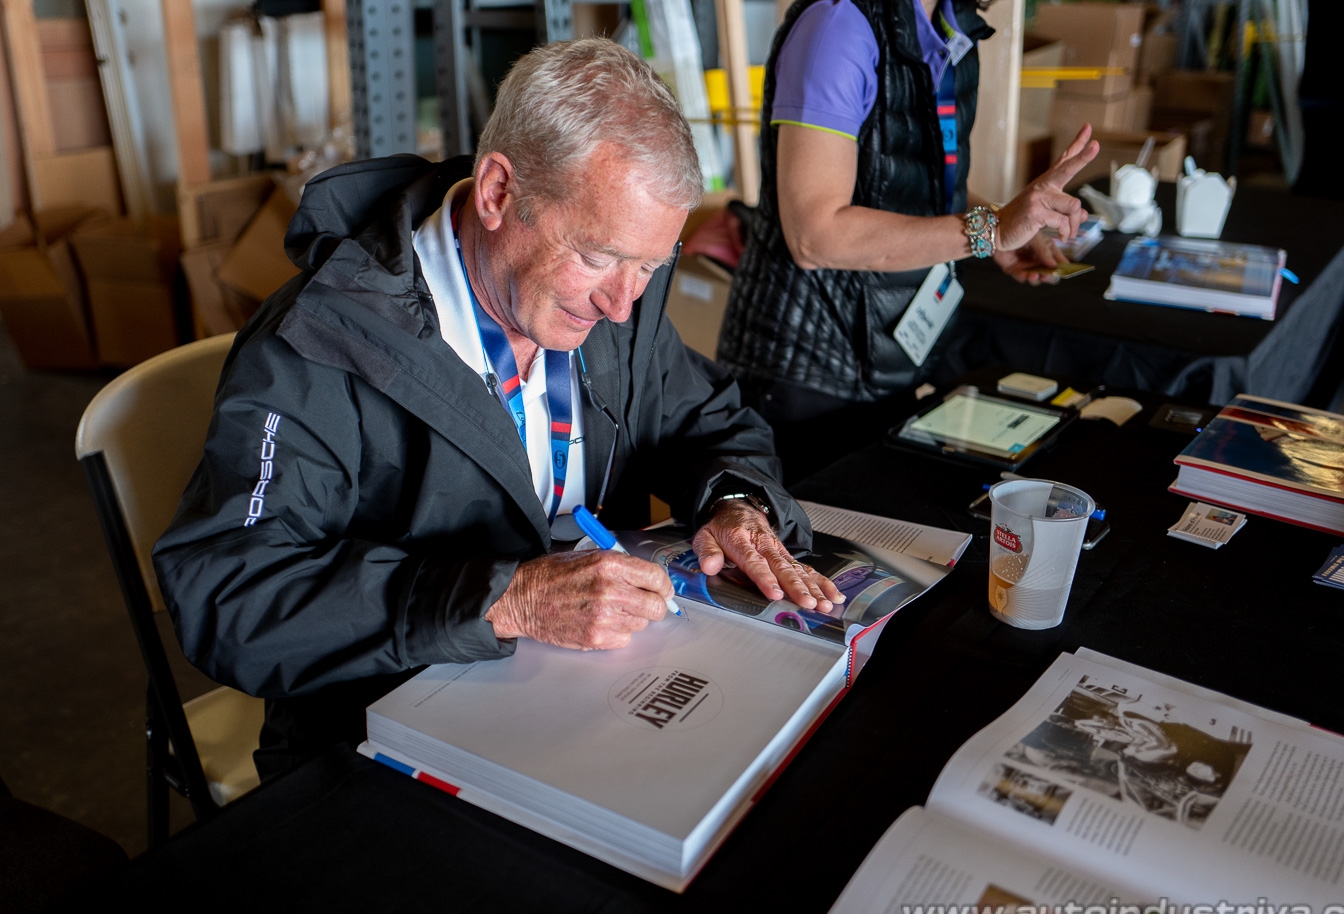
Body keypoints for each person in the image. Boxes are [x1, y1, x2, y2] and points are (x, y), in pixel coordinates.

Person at [153, 38, 843, 780]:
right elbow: (229, 594)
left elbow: (705, 418)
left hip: (585, 698)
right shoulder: (320, 342)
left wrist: (736, 501)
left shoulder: (611, 302)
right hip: (377, 734)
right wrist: (504, 601)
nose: (621, 305)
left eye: (651, 265)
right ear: (497, 193)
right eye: (600, 256)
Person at [717, 0, 1098, 479]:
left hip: (890, 351)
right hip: (809, 371)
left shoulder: (947, 26)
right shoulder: (838, 26)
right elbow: (815, 235)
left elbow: (903, 178)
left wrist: (1001, 222)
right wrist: (989, 233)